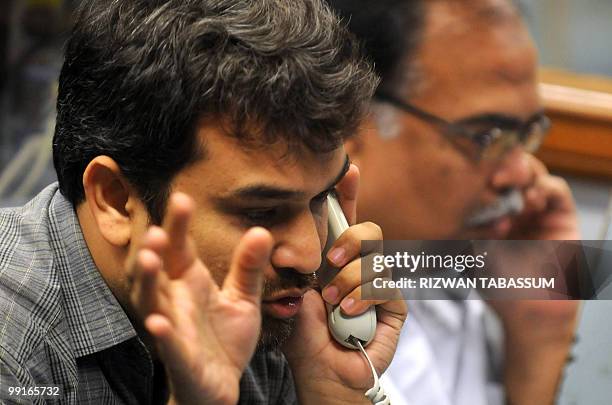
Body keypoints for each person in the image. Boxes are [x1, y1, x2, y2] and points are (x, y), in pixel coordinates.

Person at [0, 0, 407, 404]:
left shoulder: (279, 324)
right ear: (116, 199)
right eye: (261, 213)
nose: (306, 255)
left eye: (321, 200)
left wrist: (329, 391)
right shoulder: (12, 345)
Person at [328, 0, 580, 404]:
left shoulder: (448, 268)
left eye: (527, 132)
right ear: (351, 121)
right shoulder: (280, 313)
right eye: (485, 136)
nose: (520, 172)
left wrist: (541, 336)